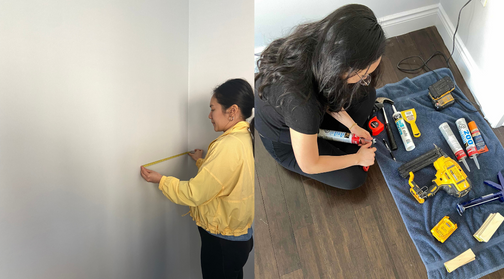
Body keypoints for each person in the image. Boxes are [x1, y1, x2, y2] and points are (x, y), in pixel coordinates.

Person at [255, 4, 386, 190]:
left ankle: (334, 146)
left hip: (305, 119)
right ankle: (337, 149)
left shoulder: (319, 46)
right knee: (354, 178)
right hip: (286, 143)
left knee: (368, 95)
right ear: (342, 66)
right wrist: (357, 158)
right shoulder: (301, 102)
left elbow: (327, 93)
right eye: (363, 75)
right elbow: (309, 164)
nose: (365, 79)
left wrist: (353, 127)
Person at [140, 79, 254, 279]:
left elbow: (195, 194)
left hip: (222, 242)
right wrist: (202, 161)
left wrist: (161, 180)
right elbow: (226, 178)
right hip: (237, 238)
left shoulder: (227, 145)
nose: (209, 116)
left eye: (213, 109)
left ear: (232, 111)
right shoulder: (245, 138)